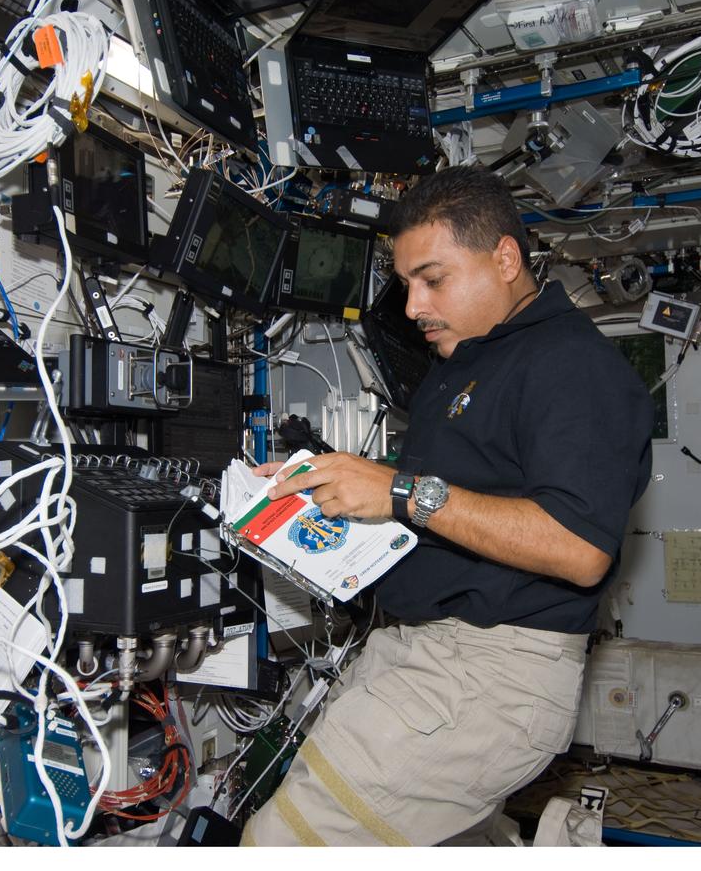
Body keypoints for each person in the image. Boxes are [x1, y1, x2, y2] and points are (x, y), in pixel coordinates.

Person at [239, 166, 655, 846]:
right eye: (406, 284)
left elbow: (578, 550)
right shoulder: (465, 364)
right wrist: (330, 493)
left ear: (506, 259)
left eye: (433, 279)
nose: (412, 306)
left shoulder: (570, 365)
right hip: (423, 660)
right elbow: (454, 505)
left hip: (482, 677)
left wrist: (400, 490)